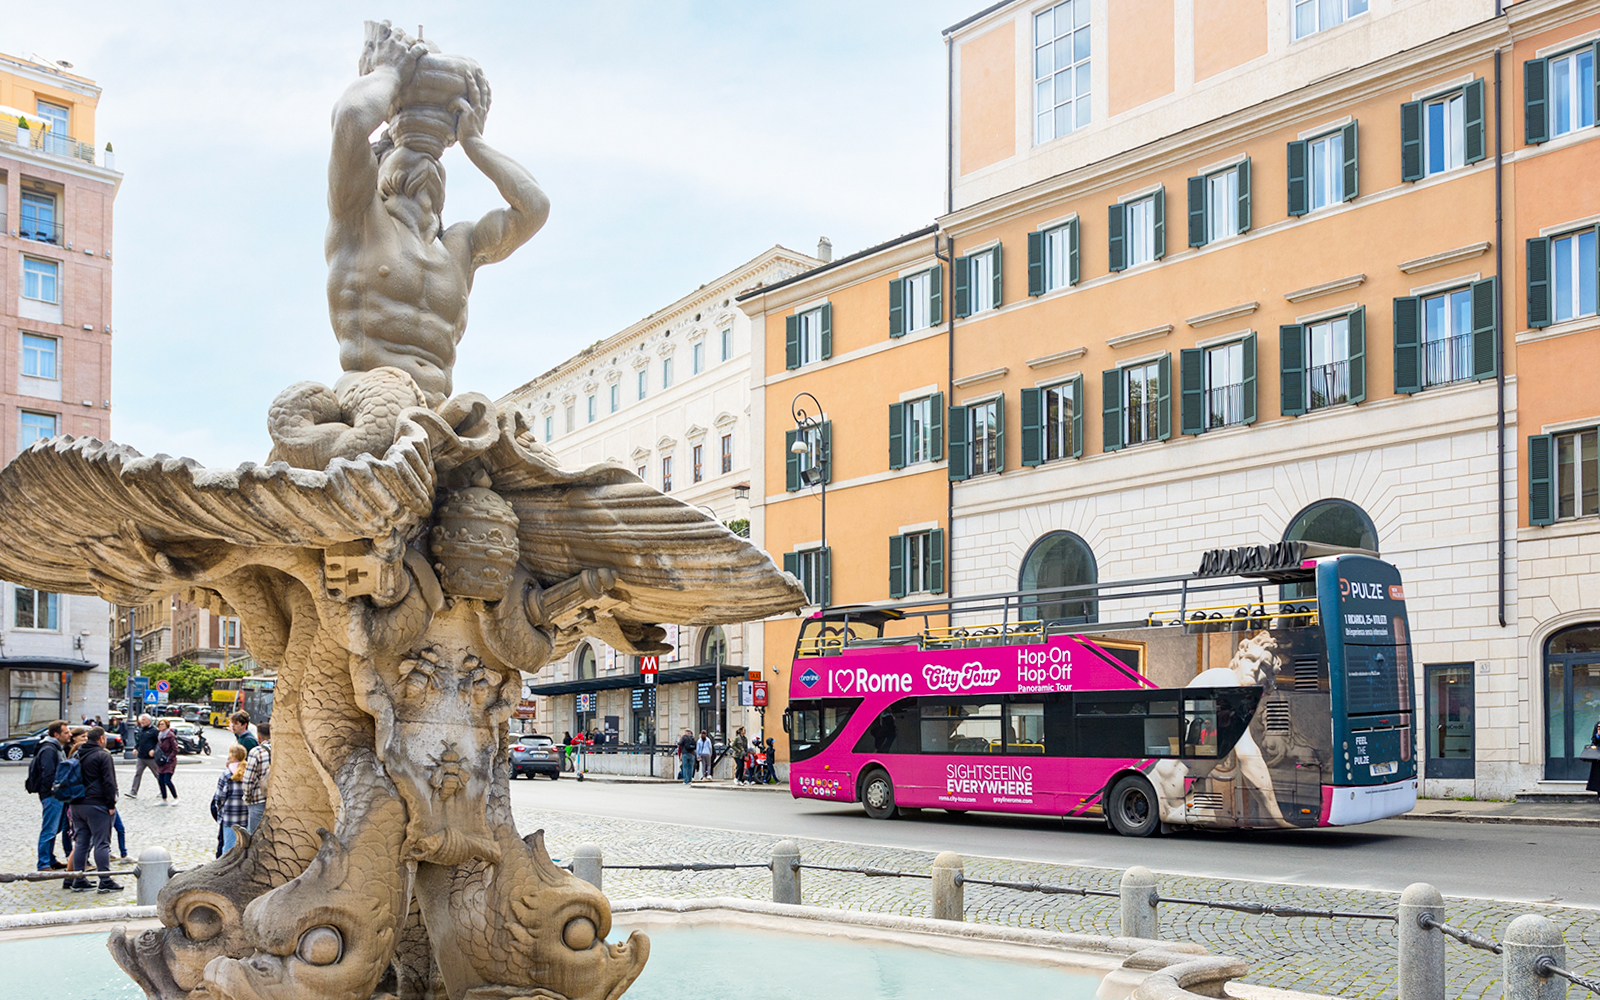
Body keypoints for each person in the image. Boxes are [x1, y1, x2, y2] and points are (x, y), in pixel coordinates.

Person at [327, 21, 549, 405]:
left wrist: (474, 143)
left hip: (439, 405)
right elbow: (350, 121)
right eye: (405, 153)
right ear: (376, 168)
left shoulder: (460, 246)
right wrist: (389, 72)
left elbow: (535, 208)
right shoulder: (359, 218)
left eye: (432, 159)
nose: (423, 162)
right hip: (370, 394)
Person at [65, 727, 123, 893]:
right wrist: (111, 805)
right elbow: (109, 782)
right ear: (101, 739)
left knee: (81, 843)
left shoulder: (77, 754)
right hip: (97, 804)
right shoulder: (102, 755)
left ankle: (78, 879)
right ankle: (105, 880)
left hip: (76, 804)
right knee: (102, 843)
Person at [29, 720, 70, 870]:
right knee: (50, 828)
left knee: (55, 828)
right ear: (56, 735)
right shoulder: (49, 749)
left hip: (57, 794)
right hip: (52, 795)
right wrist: (54, 790)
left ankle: (50, 859)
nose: (69, 735)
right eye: (66, 732)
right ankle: (43, 863)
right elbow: (48, 774)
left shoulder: (56, 748)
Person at [213, 744, 250, 856]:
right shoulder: (248, 772)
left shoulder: (227, 774)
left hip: (230, 815)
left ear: (233, 756)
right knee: (244, 846)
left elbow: (219, 797)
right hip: (246, 815)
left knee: (228, 847)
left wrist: (220, 810)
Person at [242, 721, 272, 834]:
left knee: (255, 836)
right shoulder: (281, 750)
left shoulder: (257, 752)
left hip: (258, 799)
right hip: (277, 801)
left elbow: (248, 779)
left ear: (259, 737)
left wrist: (247, 796)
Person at [127, 714, 158, 798]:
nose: (142, 721)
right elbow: (139, 741)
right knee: (138, 774)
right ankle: (133, 791)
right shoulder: (141, 730)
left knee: (157, 774)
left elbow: (159, 743)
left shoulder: (154, 731)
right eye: (141, 720)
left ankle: (163, 790)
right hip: (141, 757)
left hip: (151, 758)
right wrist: (135, 748)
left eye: (144, 720)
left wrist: (154, 750)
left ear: (149, 721)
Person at [153, 718, 180, 803]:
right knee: (160, 780)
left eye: (163, 724)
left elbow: (175, 749)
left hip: (169, 761)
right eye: (160, 724)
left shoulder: (170, 736)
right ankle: (164, 799)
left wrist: (169, 758)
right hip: (161, 761)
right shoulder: (159, 735)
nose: (161, 726)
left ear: (167, 725)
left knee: (167, 780)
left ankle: (175, 797)